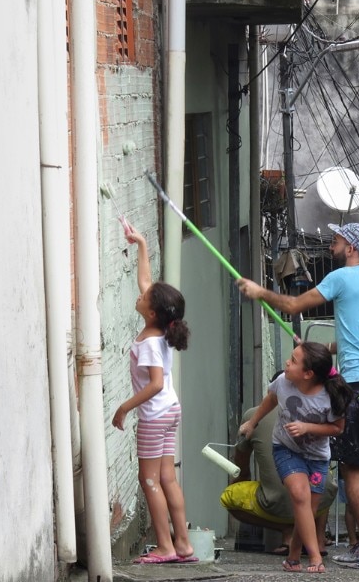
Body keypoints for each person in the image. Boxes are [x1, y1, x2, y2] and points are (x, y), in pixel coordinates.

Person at [238, 223, 359, 570]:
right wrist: (318, 351)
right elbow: (355, 338)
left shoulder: (342, 277)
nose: (332, 244)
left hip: (357, 386)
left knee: (354, 469)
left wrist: (260, 292)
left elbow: (295, 304)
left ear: (352, 248)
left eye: (339, 239)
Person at [112, 228, 197, 564]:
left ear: (150, 312)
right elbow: (147, 281)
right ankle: (184, 545)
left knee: (148, 480)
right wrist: (142, 244)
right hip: (171, 411)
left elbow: (155, 384)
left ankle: (165, 546)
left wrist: (124, 408)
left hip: (154, 414)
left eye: (144, 297)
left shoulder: (149, 342)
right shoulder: (161, 327)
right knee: (167, 478)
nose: (140, 293)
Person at [238, 342, 354, 573]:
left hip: (317, 457)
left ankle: (293, 557)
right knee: (300, 496)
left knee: (308, 511)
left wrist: (307, 427)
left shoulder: (329, 395)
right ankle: (314, 558)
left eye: (293, 360)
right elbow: (271, 399)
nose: (286, 363)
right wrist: (253, 422)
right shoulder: (283, 381)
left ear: (308, 374)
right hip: (285, 449)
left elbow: (337, 428)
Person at [220, 398, 337, 556]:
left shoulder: (253, 415)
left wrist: (243, 479)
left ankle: (288, 530)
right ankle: (318, 539)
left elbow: (242, 461)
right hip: (319, 496)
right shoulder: (314, 410)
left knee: (229, 496)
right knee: (323, 480)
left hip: (279, 499)